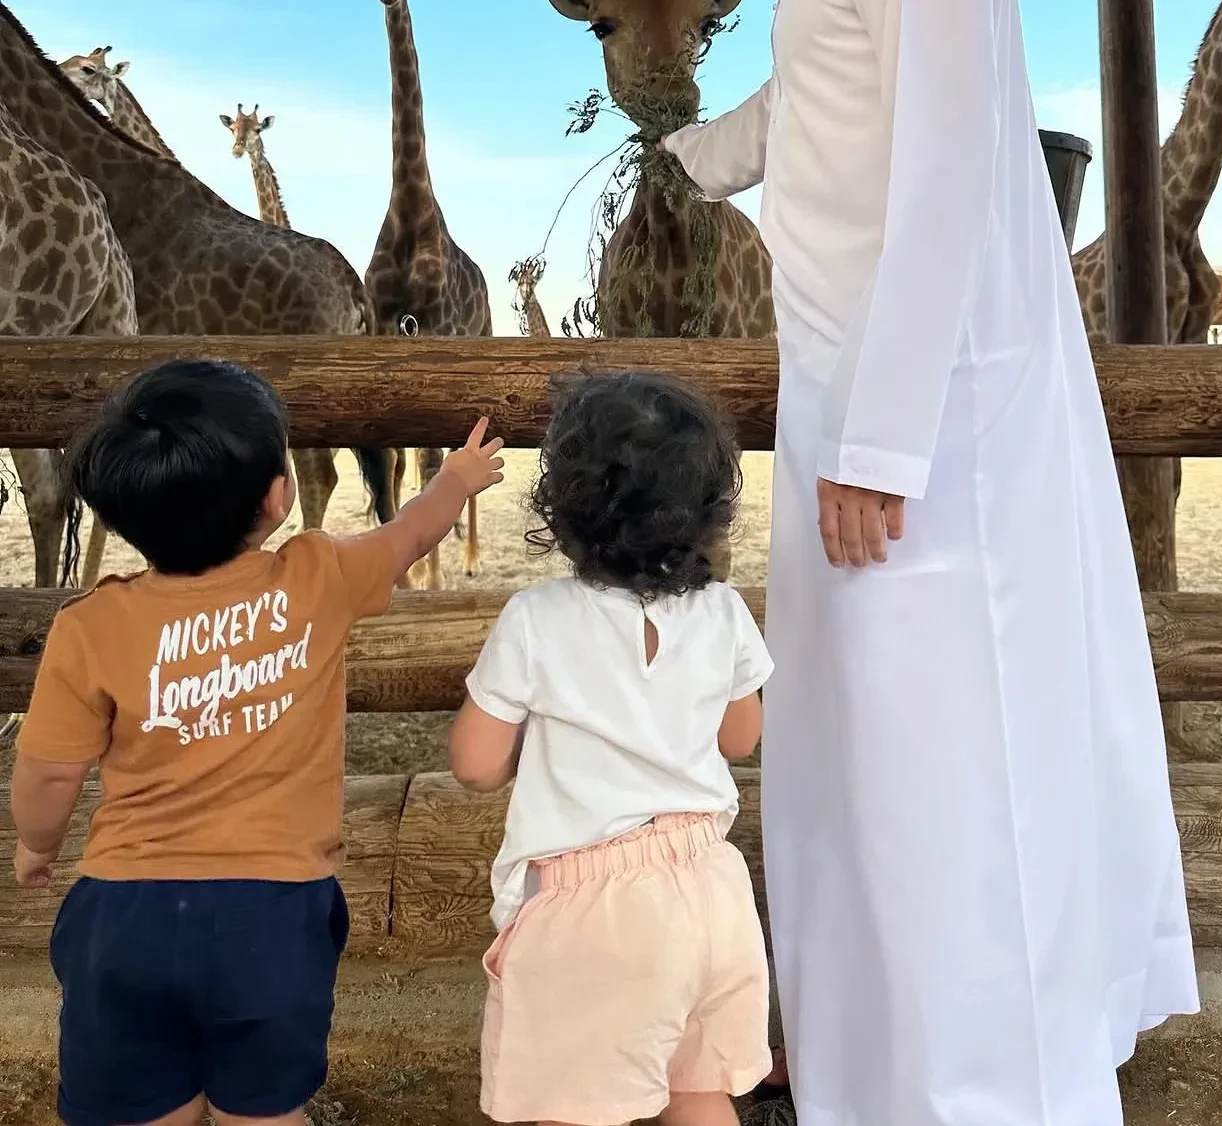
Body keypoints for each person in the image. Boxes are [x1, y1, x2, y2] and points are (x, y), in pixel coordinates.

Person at [650, 0, 1200, 1126]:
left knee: (953, 763)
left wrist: (883, 437)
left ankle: (981, 1083)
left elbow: (949, 155)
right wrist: (673, 150)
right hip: (863, 427)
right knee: (864, 758)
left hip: (935, 447)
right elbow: (799, 116)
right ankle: (873, 1065)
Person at [9, 358, 504, 1126]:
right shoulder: (318, 575)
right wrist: (456, 482)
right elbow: (409, 534)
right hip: (273, 917)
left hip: (124, 917)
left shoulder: (89, 627)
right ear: (278, 497)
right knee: (264, 1111)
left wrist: (36, 846)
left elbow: (47, 774)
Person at [449, 371, 774, 1126]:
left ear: (564, 507)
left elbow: (474, 764)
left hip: (594, 914)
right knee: (698, 1093)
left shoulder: (536, 619)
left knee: (568, 1105)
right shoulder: (724, 611)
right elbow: (741, 737)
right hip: (711, 890)